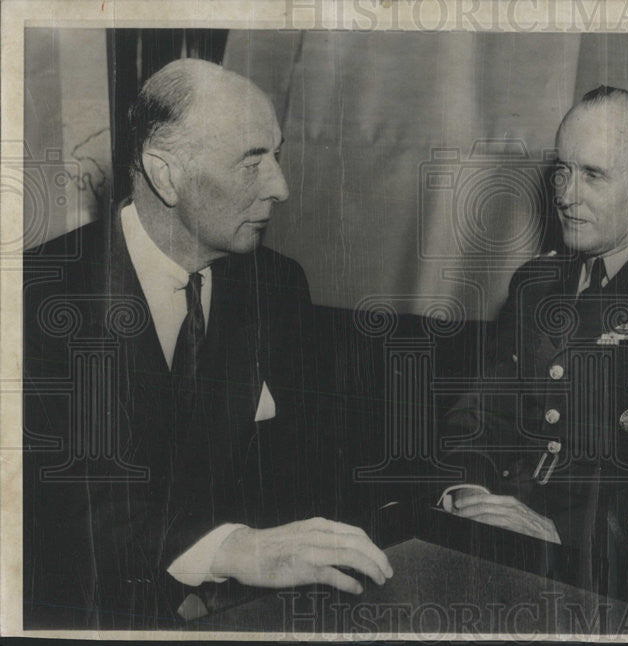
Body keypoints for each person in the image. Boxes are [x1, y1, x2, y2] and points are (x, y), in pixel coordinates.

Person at [22, 59, 391, 629]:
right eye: (252, 162)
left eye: (277, 154)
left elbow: (319, 457)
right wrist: (233, 549)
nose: (281, 187)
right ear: (164, 174)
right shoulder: (34, 297)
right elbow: (67, 503)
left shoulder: (278, 285)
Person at [438, 86, 628, 605]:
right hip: (496, 538)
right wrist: (471, 493)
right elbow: (480, 417)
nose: (565, 194)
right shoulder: (536, 284)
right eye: (563, 169)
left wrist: (569, 535)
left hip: (618, 572)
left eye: (593, 175)